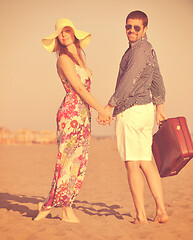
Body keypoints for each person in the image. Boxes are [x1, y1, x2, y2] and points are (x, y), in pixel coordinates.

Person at [34, 18, 111, 222]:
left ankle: (59, 205)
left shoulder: (79, 58)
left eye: (67, 31)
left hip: (83, 114)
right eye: (60, 33)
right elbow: (78, 88)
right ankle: (57, 207)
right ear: (58, 38)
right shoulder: (63, 59)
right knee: (66, 161)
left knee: (79, 162)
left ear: (74, 33)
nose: (64, 35)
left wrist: (94, 111)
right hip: (71, 114)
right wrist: (101, 109)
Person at [100, 10, 168, 224]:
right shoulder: (148, 49)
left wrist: (109, 106)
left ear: (145, 29)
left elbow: (128, 81)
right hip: (146, 111)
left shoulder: (138, 51)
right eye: (128, 26)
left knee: (132, 164)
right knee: (146, 161)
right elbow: (157, 78)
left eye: (136, 27)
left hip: (131, 111)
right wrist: (159, 106)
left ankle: (140, 216)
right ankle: (161, 211)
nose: (131, 30)